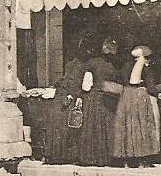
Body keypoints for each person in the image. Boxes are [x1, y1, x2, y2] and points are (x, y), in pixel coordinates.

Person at [44, 37, 91, 165]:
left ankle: (55, 154)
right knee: (66, 125)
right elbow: (73, 82)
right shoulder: (81, 65)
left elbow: (66, 80)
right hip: (68, 96)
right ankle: (63, 155)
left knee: (59, 126)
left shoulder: (72, 63)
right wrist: (71, 96)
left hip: (62, 95)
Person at [112, 44, 160, 166]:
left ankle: (127, 158)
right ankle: (142, 158)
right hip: (139, 97)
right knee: (141, 125)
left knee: (127, 125)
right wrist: (157, 93)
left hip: (126, 97)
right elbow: (150, 86)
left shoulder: (125, 66)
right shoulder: (145, 67)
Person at [78, 38, 119, 167]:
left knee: (93, 128)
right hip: (109, 100)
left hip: (95, 99)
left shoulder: (92, 63)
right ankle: (107, 158)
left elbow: (86, 86)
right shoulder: (114, 66)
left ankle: (91, 158)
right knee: (107, 129)